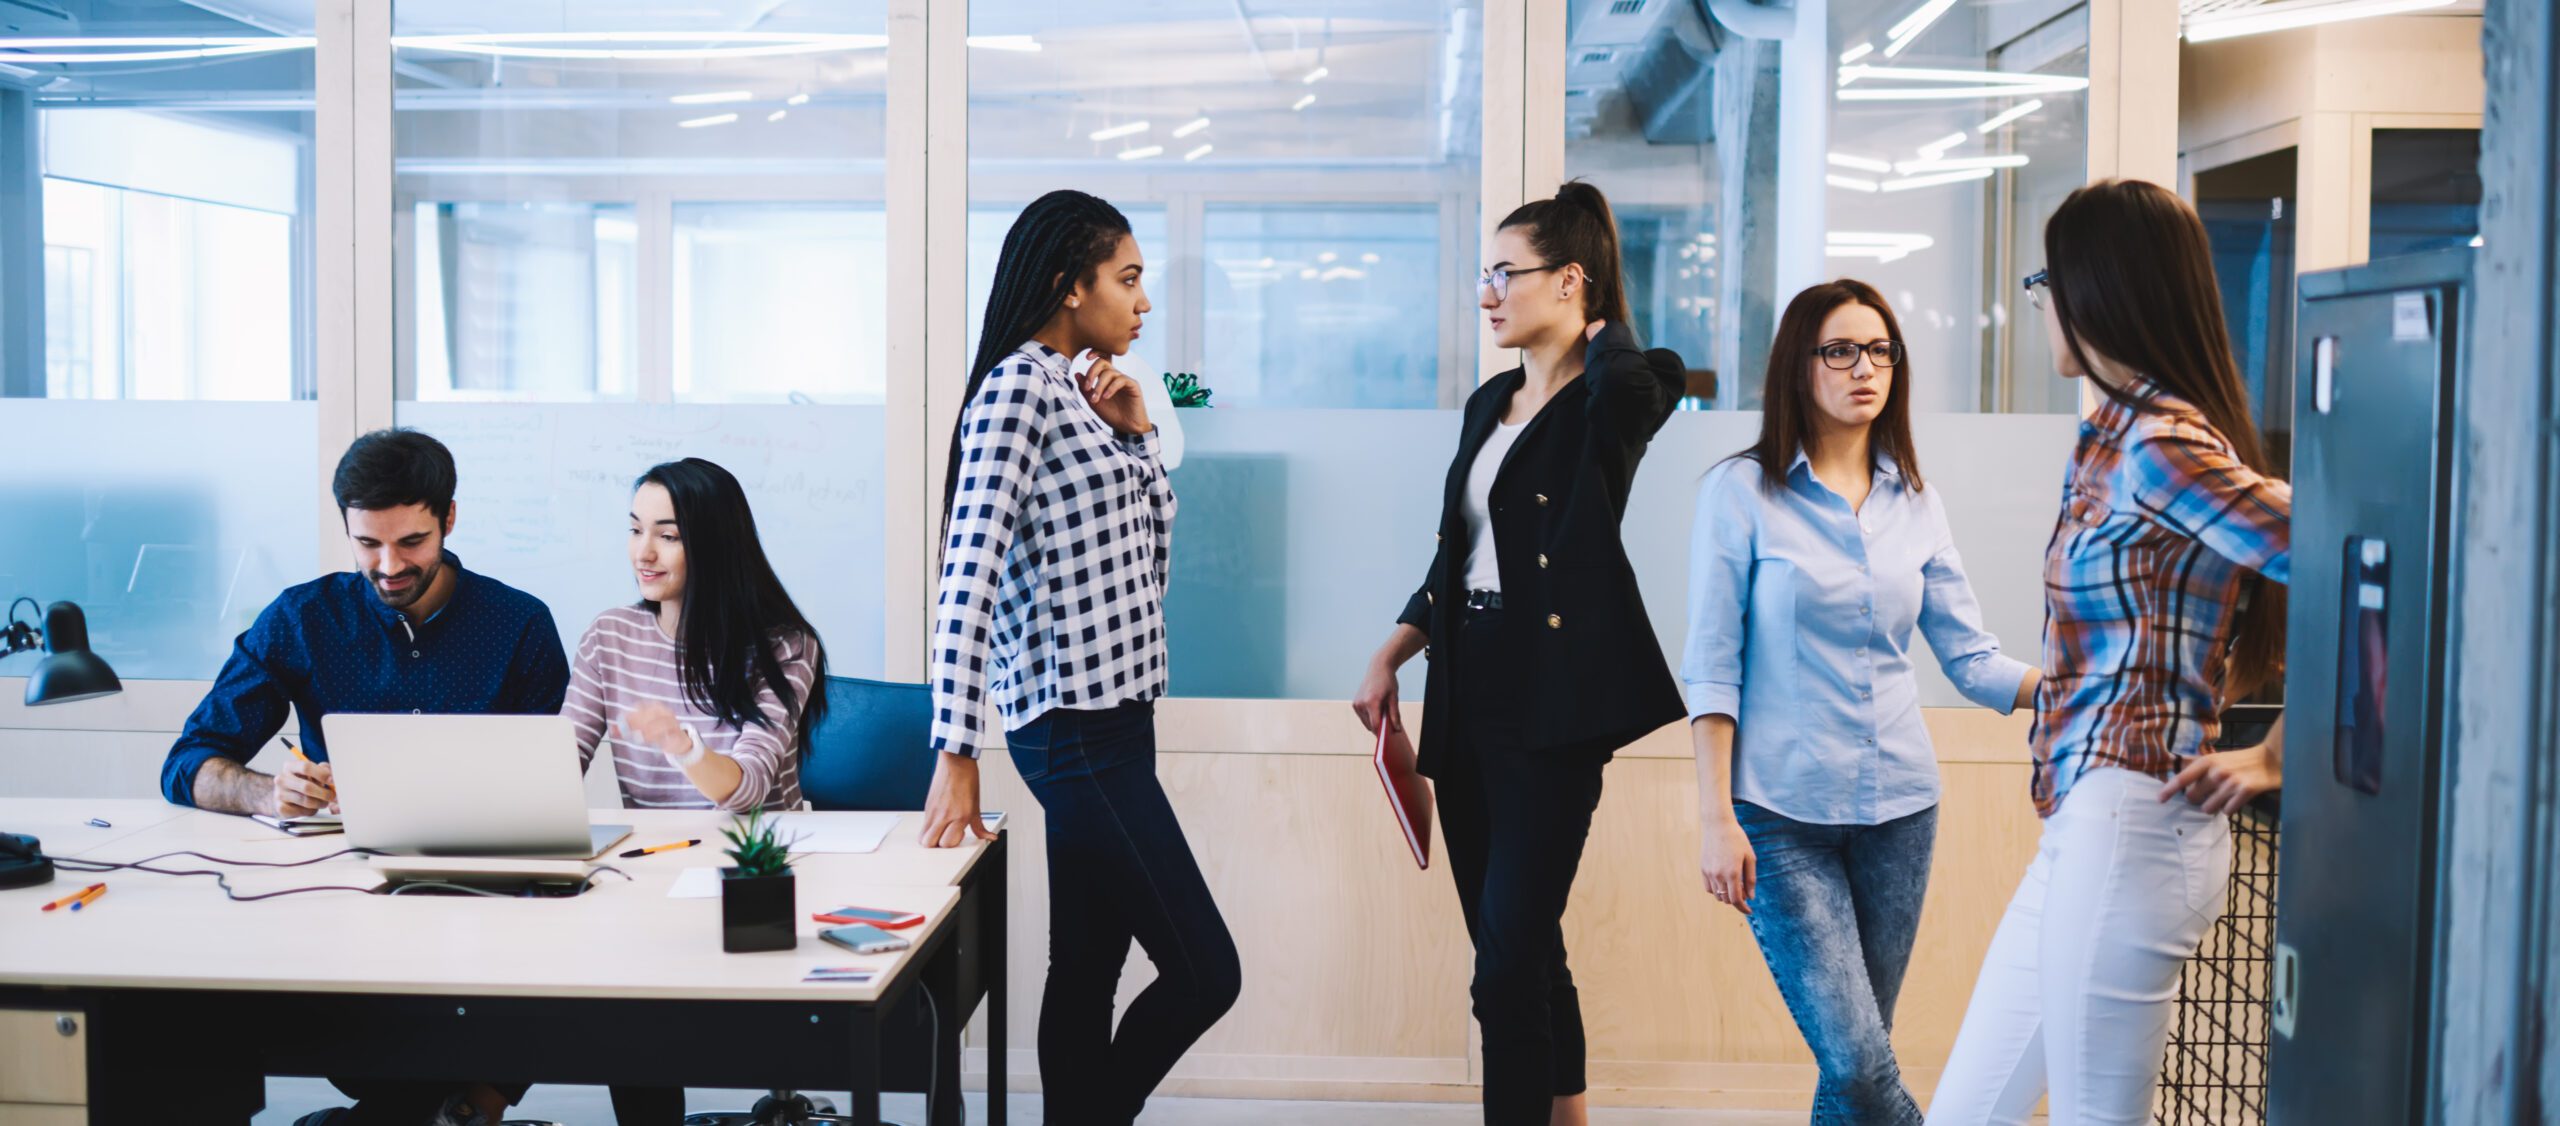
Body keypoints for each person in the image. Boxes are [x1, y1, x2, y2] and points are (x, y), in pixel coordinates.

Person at [1926, 179, 2292, 1126]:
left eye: (2048, 277)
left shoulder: (2164, 444)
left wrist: (2277, 751)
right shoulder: (2111, 433)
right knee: (1967, 1111)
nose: (2041, 298)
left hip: (2136, 825)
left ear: (2101, 289)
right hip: (2087, 823)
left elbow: (2360, 556)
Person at [1351, 180, 1687, 1126]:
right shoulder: (1489, 400)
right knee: (1525, 950)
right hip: (1468, 688)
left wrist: (1600, 318)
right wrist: (1393, 652)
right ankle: (1568, 1115)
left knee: (1502, 971)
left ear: (1571, 281)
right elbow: (1454, 550)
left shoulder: (1617, 393)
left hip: (1554, 703)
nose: (1486, 292)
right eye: (1482, 274)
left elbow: (1633, 380)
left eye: (1506, 273)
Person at [914, 188, 1239, 1126]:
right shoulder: (1020, 386)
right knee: (1207, 969)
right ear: (1069, 285)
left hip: (1117, 720)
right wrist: (957, 749)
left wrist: (1138, 433)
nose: (1143, 304)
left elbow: (1151, 564)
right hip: (1073, 729)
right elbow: (967, 570)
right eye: (1128, 281)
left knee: (1087, 967)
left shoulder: (1083, 391)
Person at [1684, 280, 2038, 1125]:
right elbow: (1711, 666)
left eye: (1879, 350)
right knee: (1857, 1056)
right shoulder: (1741, 493)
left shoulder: (1915, 499)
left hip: (1900, 813)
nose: (1864, 368)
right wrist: (1713, 817)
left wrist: (2084, 690)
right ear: (1798, 367)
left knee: (1853, 1071)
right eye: (1839, 350)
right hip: (1777, 814)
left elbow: (1970, 655)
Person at [159, 427, 568, 1126]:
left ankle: (472, 1103)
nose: (387, 566)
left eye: (411, 542)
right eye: (367, 543)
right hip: (346, 892)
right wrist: (266, 792)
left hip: (490, 888)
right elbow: (189, 762)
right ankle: (427, 1110)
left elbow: (544, 787)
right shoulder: (302, 619)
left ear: (449, 519)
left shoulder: (520, 626)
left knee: (558, 941)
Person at [564, 457, 826, 812]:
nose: (644, 553)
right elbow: (563, 763)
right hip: (652, 858)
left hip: (754, 860)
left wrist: (684, 747)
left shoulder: (786, 646)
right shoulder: (607, 636)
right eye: (636, 531)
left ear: (716, 547)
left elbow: (749, 791)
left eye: (668, 536)